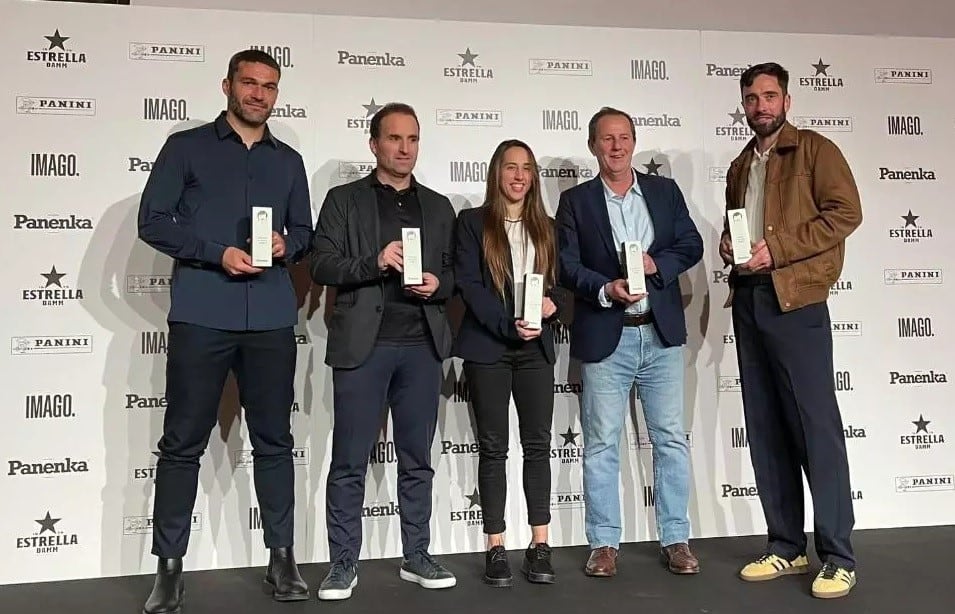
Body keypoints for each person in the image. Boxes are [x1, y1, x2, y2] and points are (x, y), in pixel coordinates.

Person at [137, 49, 313, 613]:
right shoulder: (185, 147)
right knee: (182, 443)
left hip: (268, 317)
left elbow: (305, 231)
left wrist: (290, 244)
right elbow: (153, 222)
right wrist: (218, 254)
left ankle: (282, 559)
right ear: (228, 86)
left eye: (268, 86)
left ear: (276, 93)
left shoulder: (289, 161)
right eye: (249, 83)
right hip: (201, 312)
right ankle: (168, 570)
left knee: (275, 442)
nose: (258, 94)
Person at [719, 62, 862, 599]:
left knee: (814, 427)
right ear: (744, 105)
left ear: (787, 100)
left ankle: (838, 555)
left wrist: (778, 249)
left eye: (770, 96)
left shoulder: (816, 151)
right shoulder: (739, 164)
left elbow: (846, 212)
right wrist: (730, 248)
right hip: (750, 299)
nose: (761, 106)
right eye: (752, 98)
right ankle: (786, 546)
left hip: (797, 302)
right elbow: (741, 227)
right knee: (766, 426)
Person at [309, 102, 457, 600]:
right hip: (363, 347)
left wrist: (438, 284)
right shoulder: (344, 199)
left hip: (421, 348)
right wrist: (374, 262)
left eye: (413, 139)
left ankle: (417, 555)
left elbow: (457, 275)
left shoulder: (438, 206)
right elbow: (322, 264)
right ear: (373, 143)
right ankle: (342, 564)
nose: (404, 148)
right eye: (394, 138)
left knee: (417, 459)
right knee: (349, 460)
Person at [556, 107, 703, 578]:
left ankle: (676, 538)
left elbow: (692, 244)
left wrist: (658, 264)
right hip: (607, 335)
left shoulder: (663, 192)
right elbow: (567, 266)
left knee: (670, 442)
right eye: (606, 139)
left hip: (659, 334)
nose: (615, 147)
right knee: (600, 443)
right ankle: (603, 543)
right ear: (593, 146)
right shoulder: (576, 202)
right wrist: (606, 288)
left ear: (633, 143)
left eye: (623, 138)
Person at [453, 139, 568, 587]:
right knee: (494, 447)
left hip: (536, 351)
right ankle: (496, 546)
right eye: (510, 167)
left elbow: (563, 285)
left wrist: (551, 306)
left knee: (538, 445)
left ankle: (540, 544)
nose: (519, 176)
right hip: (489, 348)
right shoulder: (471, 224)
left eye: (526, 168)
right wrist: (508, 324)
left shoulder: (550, 228)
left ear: (534, 176)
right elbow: (469, 285)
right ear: (496, 173)